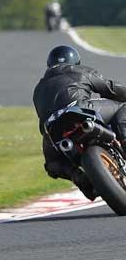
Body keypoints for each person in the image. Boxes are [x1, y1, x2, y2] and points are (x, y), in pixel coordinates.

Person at [33, 45, 126, 199]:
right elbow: (111, 88)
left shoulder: (38, 88)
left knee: (53, 163)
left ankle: (80, 179)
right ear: (75, 61)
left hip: (52, 129)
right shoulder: (79, 71)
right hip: (79, 111)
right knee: (122, 107)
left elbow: (41, 118)